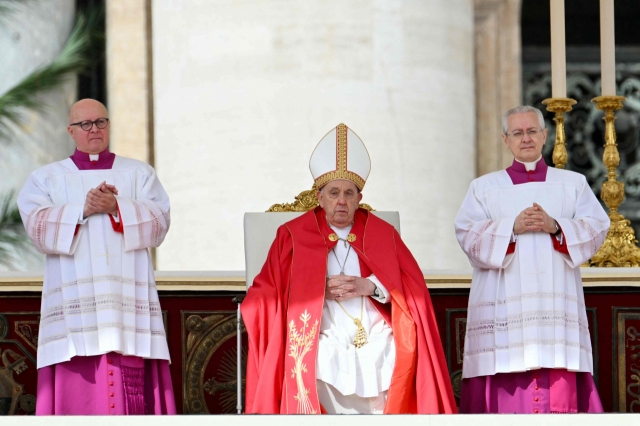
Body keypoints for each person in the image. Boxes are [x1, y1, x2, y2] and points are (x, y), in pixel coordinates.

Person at [241, 123, 456, 414]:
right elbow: (264, 293)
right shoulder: (292, 235)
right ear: (319, 197)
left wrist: (373, 286)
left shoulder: (383, 233)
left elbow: (412, 288)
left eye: (349, 193)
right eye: (333, 193)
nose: (341, 201)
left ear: (359, 199)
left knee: (391, 351)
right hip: (322, 329)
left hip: (375, 327)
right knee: (315, 357)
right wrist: (316, 289)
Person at [17, 99, 175, 415]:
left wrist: (117, 207)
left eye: (101, 122)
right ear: (71, 131)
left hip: (123, 303)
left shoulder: (138, 173)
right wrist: (84, 209)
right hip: (75, 304)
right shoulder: (46, 178)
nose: (94, 130)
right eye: (86, 124)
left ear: (109, 126)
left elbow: (159, 223)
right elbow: (36, 227)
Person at [454, 105, 610, 414]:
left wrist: (556, 226)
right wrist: (511, 227)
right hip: (504, 306)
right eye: (517, 133)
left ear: (544, 136)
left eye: (531, 132)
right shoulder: (483, 188)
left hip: (555, 305)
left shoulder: (572, 183)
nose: (525, 139)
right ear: (505, 140)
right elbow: (467, 236)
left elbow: (597, 228)